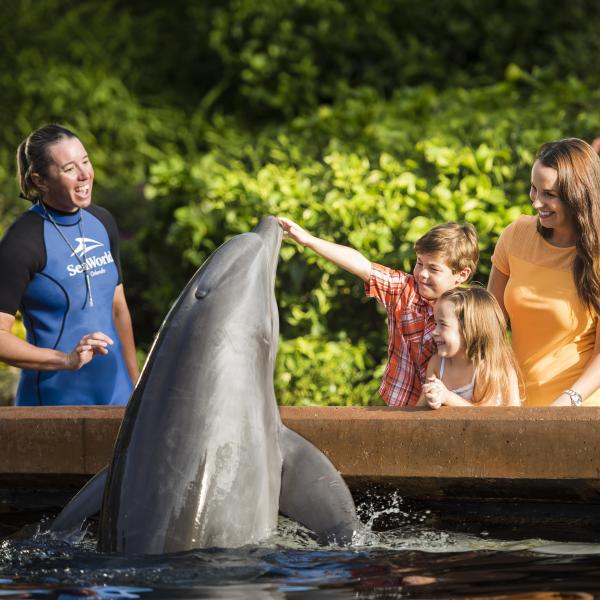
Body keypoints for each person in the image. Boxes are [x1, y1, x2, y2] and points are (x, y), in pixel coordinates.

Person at [0, 124, 139, 405]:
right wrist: (66, 359)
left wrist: (136, 385)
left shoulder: (102, 222)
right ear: (40, 180)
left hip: (118, 396)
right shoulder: (23, 240)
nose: (85, 174)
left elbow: (118, 309)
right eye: (69, 168)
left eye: (85, 161)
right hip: (52, 404)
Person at [278, 217, 479, 407]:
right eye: (419, 263)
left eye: (434, 269)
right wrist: (308, 240)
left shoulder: (470, 310)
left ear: (461, 275)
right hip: (397, 402)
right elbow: (362, 266)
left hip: (445, 409)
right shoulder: (404, 291)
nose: (422, 274)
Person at [488, 138, 600, 406]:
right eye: (533, 189)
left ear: (578, 195)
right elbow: (490, 325)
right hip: (515, 405)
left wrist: (569, 401)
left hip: (579, 410)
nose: (537, 202)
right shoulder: (516, 235)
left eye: (549, 194)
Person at [417, 287, 521, 408]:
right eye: (435, 324)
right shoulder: (437, 364)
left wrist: (447, 397)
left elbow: (485, 418)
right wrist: (430, 397)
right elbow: (419, 409)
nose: (434, 332)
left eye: (443, 324)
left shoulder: (488, 368)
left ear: (470, 329)